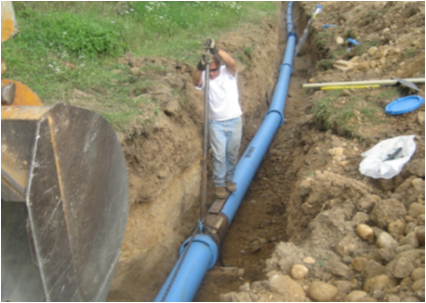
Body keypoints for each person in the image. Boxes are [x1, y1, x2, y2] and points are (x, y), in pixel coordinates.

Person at [192, 38, 242, 199]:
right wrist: (200, 66)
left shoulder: (228, 73)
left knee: (232, 153)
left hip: (234, 120)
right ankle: (219, 184)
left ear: (219, 67)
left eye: (214, 70)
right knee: (219, 155)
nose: (211, 74)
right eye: (209, 71)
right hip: (215, 123)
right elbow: (195, 80)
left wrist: (216, 49)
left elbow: (232, 62)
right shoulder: (205, 76)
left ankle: (229, 180)